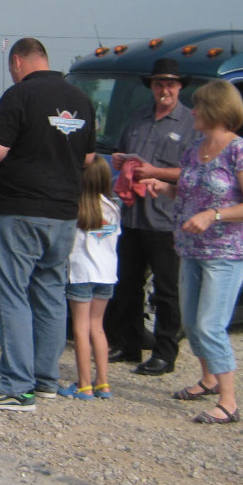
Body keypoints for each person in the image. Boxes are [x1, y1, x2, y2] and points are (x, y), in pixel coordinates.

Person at [0, 38, 97, 412]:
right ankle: (45, 380)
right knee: (50, 294)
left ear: (17, 62)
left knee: (10, 295)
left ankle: (14, 386)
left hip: (20, 211)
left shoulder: (19, 96)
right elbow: (89, 156)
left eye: (12, 68)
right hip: (63, 215)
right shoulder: (80, 99)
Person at [143, 80, 243, 424]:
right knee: (192, 322)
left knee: (211, 324)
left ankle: (229, 402)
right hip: (191, 248)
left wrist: (213, 215)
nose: (192, 112)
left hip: (227, 251)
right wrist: (164, 188)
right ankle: (209, 379)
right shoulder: (194, 150)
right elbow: (189, 194)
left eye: (198, 107)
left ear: (217, 110)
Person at [106, 58, 201, 376]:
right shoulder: (138, 118)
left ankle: (164, 353)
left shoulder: (190, 123)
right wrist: (122, 162)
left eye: (170, 84)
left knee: (166, 289)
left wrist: (154, 171)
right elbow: (122, 150)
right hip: (132, 216)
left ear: (179, 88)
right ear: (151, 86)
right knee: (127, 284)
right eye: (159, 83)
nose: (164, 89)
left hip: (165, 219)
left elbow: (192, 172)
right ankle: (128, 344)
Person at [58, 158, 121, 400]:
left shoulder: (75, 208)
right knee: (98, 328)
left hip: (81, 274)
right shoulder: (113, 208)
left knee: (81, 330)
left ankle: (84, 384)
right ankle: (103, 383)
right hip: (106, 275)